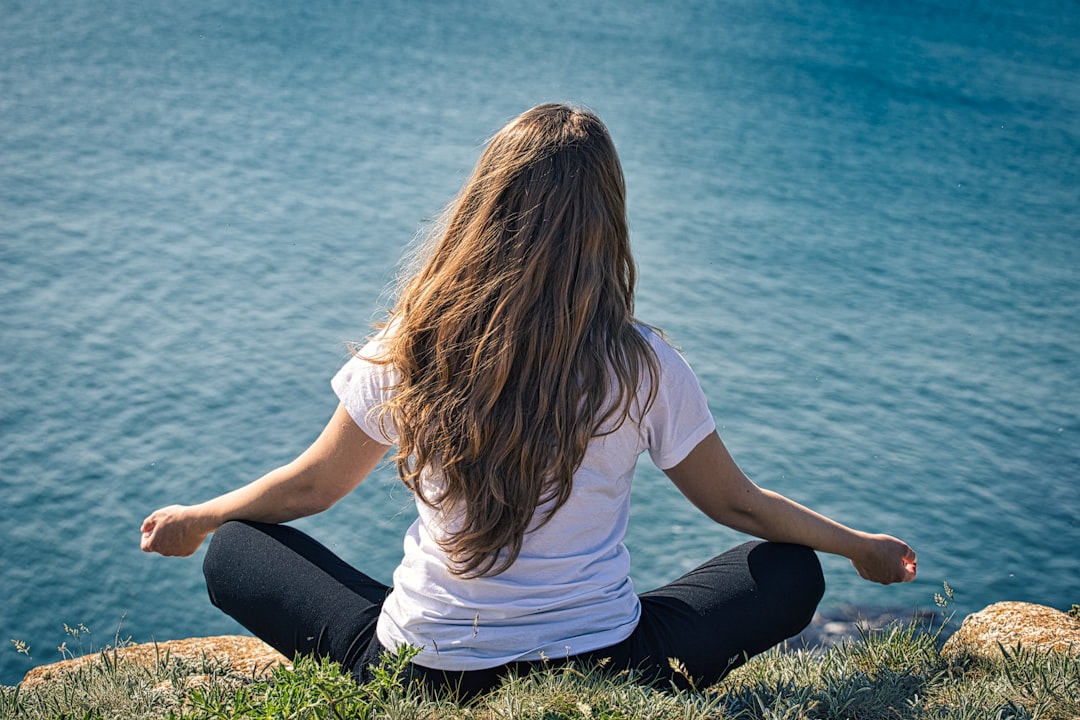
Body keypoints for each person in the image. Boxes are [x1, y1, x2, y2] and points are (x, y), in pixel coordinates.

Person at [140, 102, 916, 697]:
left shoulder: (415, 344)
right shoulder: (642, 363)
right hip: (609, 666)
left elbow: (312, 487)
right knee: (790, 568)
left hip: (422, 674)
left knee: (238, 548)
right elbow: (739, 507)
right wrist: (857, 547)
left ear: (485, 206)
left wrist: (202, 517)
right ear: (606, 221)